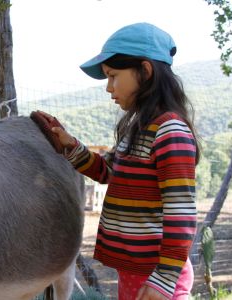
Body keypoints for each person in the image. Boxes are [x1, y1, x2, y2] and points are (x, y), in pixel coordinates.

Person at [37, 22, 199, 300]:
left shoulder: (170, 131)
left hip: (158, 275)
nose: (109, 87)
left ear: (145, 71)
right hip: (135, 270)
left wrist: (164, 280)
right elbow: (108, 171)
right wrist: (71, 146)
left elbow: (181, 212)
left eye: (113, 76)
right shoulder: (136, 130)